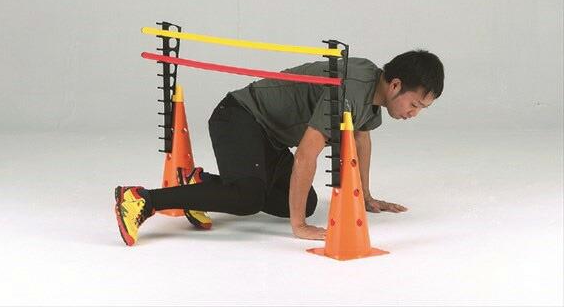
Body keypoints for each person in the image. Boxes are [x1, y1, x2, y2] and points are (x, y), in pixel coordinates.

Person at [114, 49, 444, 246]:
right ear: (396, 85)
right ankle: (142, 199)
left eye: (421, 109)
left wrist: (366, 196)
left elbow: (361, 138)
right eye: (415, 104)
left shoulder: (372, 97)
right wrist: (299, 227)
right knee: (248, 198)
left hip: (268, 136)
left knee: (303, 202)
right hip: (239, 116)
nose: (413, 113)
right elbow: (306, 154)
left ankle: (201, 184)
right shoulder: (352, 89)